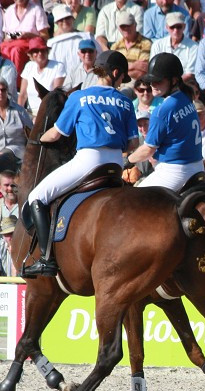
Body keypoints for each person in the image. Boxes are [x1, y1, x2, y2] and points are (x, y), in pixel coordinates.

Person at [22, 51, 135, 277]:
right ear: (115, 73)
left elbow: (56, 134)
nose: (122, 81)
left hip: (88, 161)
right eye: (123, 77)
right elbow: (132, 144)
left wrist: (38, 139)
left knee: (36, 197)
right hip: (115, 164)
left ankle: (46, 259)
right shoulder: (125, 101)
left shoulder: (79, 97)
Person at [126, 53, 203, 192]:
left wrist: (126, 161)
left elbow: (148, 150)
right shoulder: (186, 97)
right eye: (151, 81)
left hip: (175, 171)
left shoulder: (162, 111)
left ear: (174, 81)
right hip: (197, 167)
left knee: (130, 200)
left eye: (158, 81)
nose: (152, 85)